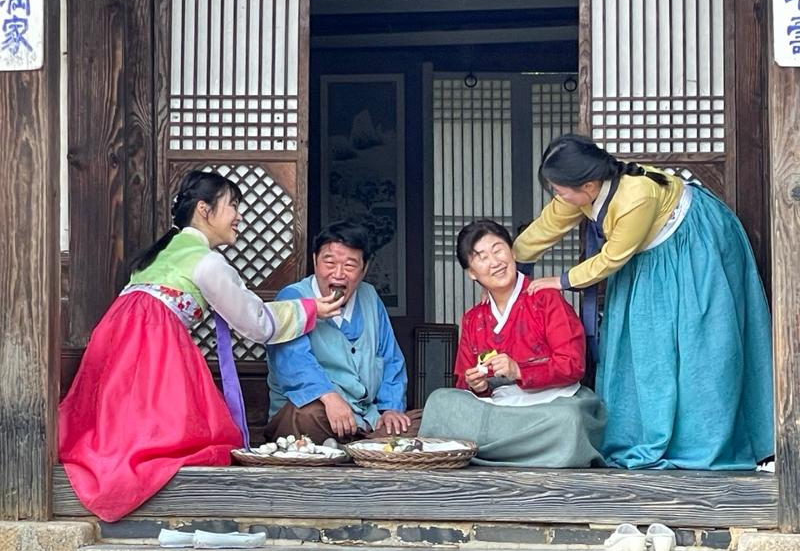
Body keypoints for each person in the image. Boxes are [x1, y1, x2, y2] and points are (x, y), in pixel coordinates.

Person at [59, 170, 344, 522]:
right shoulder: (207, 262)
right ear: (205, 210)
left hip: (116, 339)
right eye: (233, 205)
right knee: (181, 439)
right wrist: (312, 307)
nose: (239, 215)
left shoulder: (160, 254)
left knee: (119, 427)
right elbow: (253, 321)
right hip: (155, 342)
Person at [513, 133, 773, 470]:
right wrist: (512, 263)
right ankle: (641, 433)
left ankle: (707, 440)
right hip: (650, 256)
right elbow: (550, 223)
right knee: (641, 351)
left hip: (694, 245)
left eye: (559, 189)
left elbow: (611, 259)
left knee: (701, 347)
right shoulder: (580, 190)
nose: (557, 196)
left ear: (589, 185)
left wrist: (559, 282)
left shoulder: (636, 196)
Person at [418, 220, 606, 467]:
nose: (495, 262)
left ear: (511, 252)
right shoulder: (473, 318)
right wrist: (477, 384)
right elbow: (464, 382)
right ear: (471, 273)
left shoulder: (546, 298)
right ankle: (524, 451)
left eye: (498, 250)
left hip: (549, 405)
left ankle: (484, 450)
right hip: (501, 409)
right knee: (441, 401)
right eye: (482, 257)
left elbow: (573, 365)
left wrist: (519, 371)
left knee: (569, 420)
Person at [265, 219, 421, 443]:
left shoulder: (370, 297)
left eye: (349, 265)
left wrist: (391, 409)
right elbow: (294, 362)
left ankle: (355, 446)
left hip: (366, 417)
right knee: (305, 417)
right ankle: (368, 448)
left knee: (424, 420)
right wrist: (330, 398)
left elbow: (390, 359)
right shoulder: (293, 298)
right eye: (329, 263)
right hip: (317, 413)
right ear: (314, 261)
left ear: (365, 268)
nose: (338, 274)